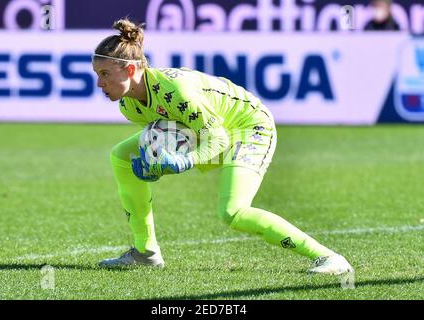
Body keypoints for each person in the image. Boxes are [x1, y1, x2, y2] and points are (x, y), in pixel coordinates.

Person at [92, 18, 354, 275]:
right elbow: (174, 135)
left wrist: (185, 161)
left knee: (233, 212)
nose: (99, 83)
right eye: (97, 74)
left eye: (104, 74)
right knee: (121, 156)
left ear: (129, 70)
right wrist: (156, 165)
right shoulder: (129, 105)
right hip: (211, 132)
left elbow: (218, 139)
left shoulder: (175, 88)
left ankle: (329, 258)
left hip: (248, 128)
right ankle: (145, 252)